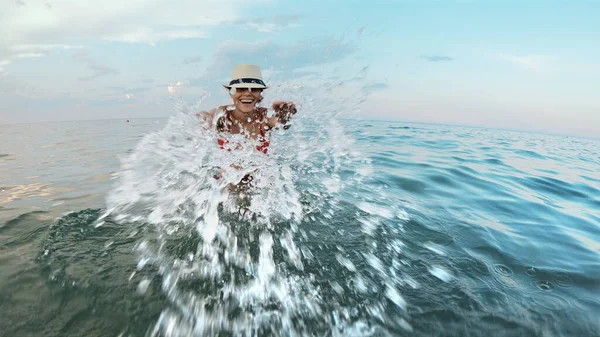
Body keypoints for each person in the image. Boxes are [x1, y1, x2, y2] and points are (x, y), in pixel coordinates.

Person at [196, 64, 297, 185]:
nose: (247, 93)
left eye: (253, 89)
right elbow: (206, 114)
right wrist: (203, 118)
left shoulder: (265, 117)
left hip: (259, 183)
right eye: (241, 88)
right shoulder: (221, 115)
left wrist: (285, 117)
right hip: (227, 182)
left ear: (260, 94)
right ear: (231, 93)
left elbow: (281, 124)